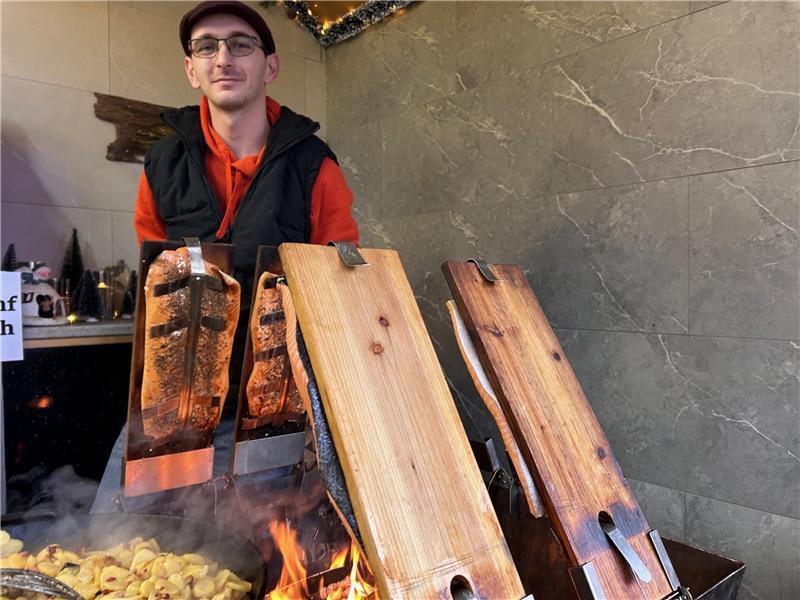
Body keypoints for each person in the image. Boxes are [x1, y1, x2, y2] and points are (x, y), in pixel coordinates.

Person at [133, 0, 358, 406]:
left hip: (280, 401)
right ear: (191, 69)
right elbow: (155, 285)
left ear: (270, 66)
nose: (222, 59)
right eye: (206, 47)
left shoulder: (314, 164)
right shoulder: (161, 164)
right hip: (180, 400)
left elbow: (337, 289)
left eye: (240, 45)